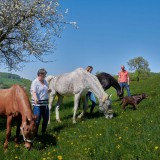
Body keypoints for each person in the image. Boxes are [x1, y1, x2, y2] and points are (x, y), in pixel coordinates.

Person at [30, 68, 50, 136]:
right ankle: (35, 134)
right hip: (37, 105)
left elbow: (45, 90)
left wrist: (48, 91)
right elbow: (33, 91)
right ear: (40, 74)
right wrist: (35, 98)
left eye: (45, 75)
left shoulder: (45, 82)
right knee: (37, 120)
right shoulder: (35, 82)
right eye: (44, 75)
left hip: (45, 104)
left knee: (46, 119)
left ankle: (43, 132)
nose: (45, 76)